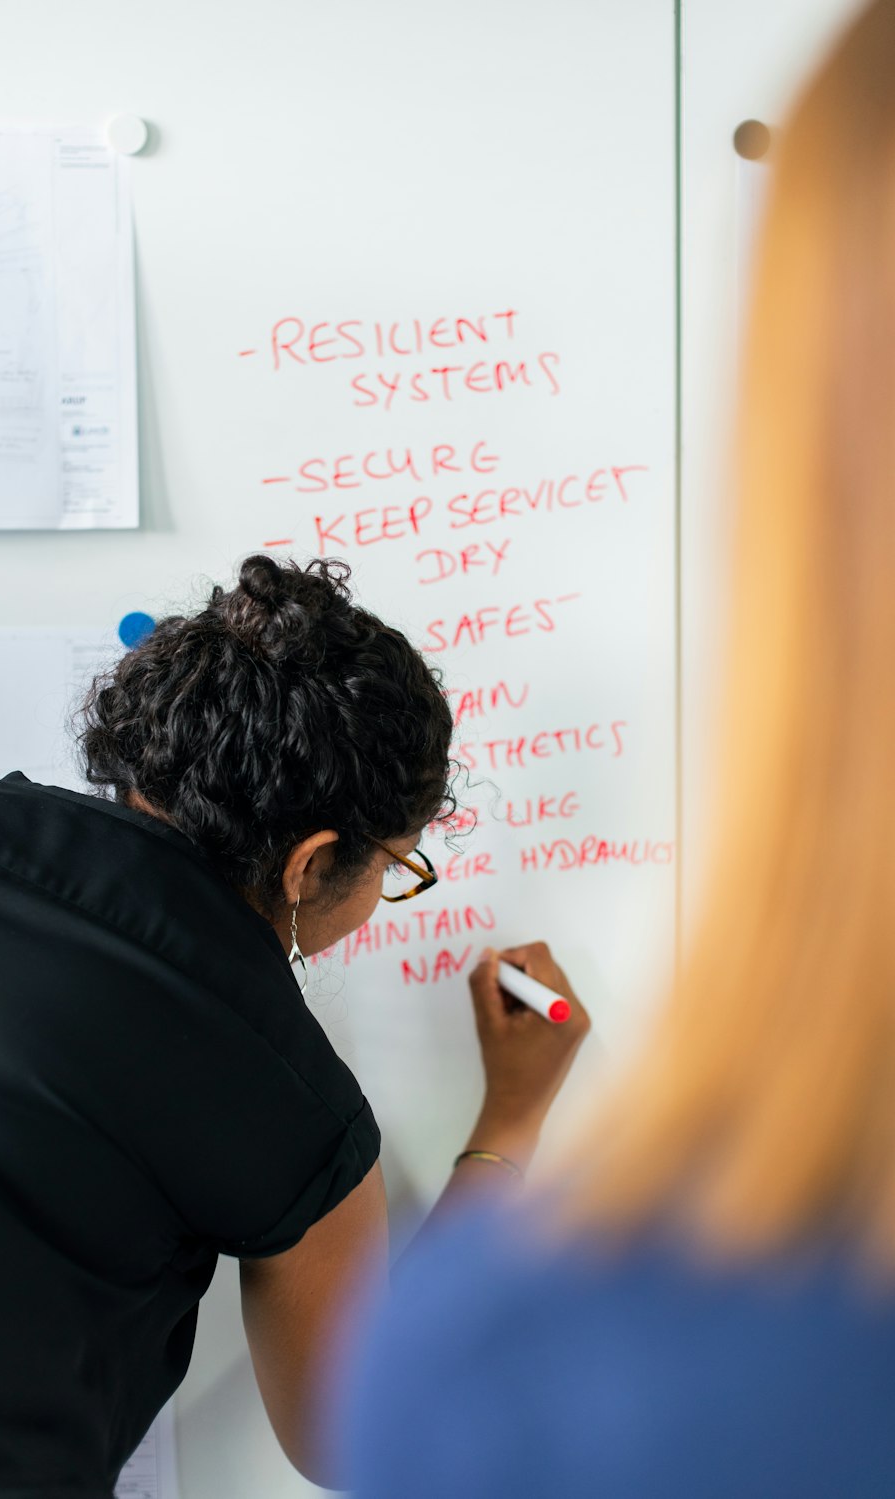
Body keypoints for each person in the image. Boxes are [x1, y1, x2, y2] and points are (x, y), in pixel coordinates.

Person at [340, 3, 895, 1495]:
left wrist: (516, 1116)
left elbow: (359, 1433)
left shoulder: (562, 1364)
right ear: (319, 859)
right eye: (400, 869)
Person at [0, 553, 587, 1497]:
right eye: (396, 866)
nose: (388, 893)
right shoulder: (283, 1090)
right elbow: (355, 1434)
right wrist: (512, 1112)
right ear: (311, 863)